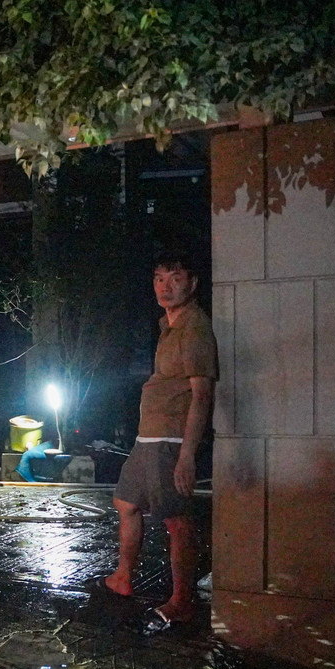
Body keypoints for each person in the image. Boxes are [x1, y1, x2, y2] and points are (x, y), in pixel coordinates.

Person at [101, 254, 218, 628]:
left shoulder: (195, 329)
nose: (165, 287)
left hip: (168, 440)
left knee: (176, 521)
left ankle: (182, 601)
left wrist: (186, 455)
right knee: (125, 502)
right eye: (159, 279)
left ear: (192, 283)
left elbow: (202, 395)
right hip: (147, 438)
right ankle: (122, 578)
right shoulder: (169, 325)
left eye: (175, 278)